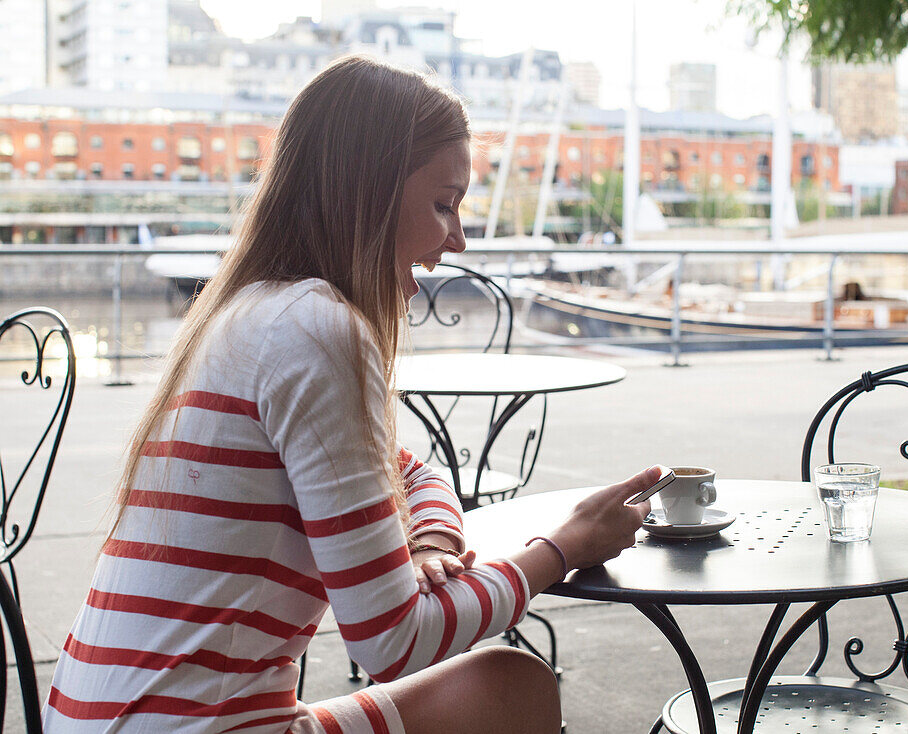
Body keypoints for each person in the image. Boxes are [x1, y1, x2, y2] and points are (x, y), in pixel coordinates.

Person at [43, 55, 656, 733]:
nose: (456, 237)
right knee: (513, 688)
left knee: (507, 688)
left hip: (98, 716)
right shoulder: (320, 331)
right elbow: (391, 640)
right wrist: (566, 547)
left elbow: (410, 468)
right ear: (371, 191)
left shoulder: (254, 313)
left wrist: (430, 542)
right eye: (443, 204)